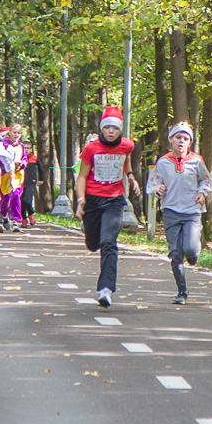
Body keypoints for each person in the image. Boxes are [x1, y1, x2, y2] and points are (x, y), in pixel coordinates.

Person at [76, 106, 142, 308]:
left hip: (114, 199)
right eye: (107, 128)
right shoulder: (91, 148)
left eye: (115, 128)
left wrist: (130, 176)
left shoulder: (127, 145)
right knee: (93, 244)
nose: (111, 131)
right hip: (93, 200)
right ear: (102, 129)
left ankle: (105, 290)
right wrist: (81, 201)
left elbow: (126, 158)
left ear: (120, 130)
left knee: (108, 243)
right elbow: (82, 176)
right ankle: (89, 230)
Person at [146, 121, 212, 305]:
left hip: (192, 211)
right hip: (170, 211)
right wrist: (157, 189)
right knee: (175, 253)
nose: (181, 142)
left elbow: (207, 181)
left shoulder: (197, 161)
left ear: (189, 142)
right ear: (171, 140)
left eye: (185, 138)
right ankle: (182, 292)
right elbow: (152, 183)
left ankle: (193, 254)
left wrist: (202, 192)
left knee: (190, 249)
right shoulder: (163, 162)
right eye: (178, 138)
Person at [0, 124, 27, 232]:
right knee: (5, 198)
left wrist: (21, 164)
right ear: (9, 132)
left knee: (15, 195)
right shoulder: (4, 145)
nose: (16, 135)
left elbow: (24, 158)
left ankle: (15, 220)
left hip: (18, 175)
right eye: (14, 132)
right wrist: (9, 165)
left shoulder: (21, 146)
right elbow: (0, 158)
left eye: (18, 133)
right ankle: (3, 215)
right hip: (6, 175)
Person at [21, 144, 44, 228]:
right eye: (24, 148)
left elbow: (41, 168)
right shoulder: (19, 158)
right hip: (20, 182)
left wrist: (41, 179)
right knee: (21, 201)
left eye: (28, 148)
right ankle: (24, 218)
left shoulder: (34, 158)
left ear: (31, 149)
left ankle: (30, 214)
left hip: (31, 182)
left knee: (27, 200)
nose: (26, 150)